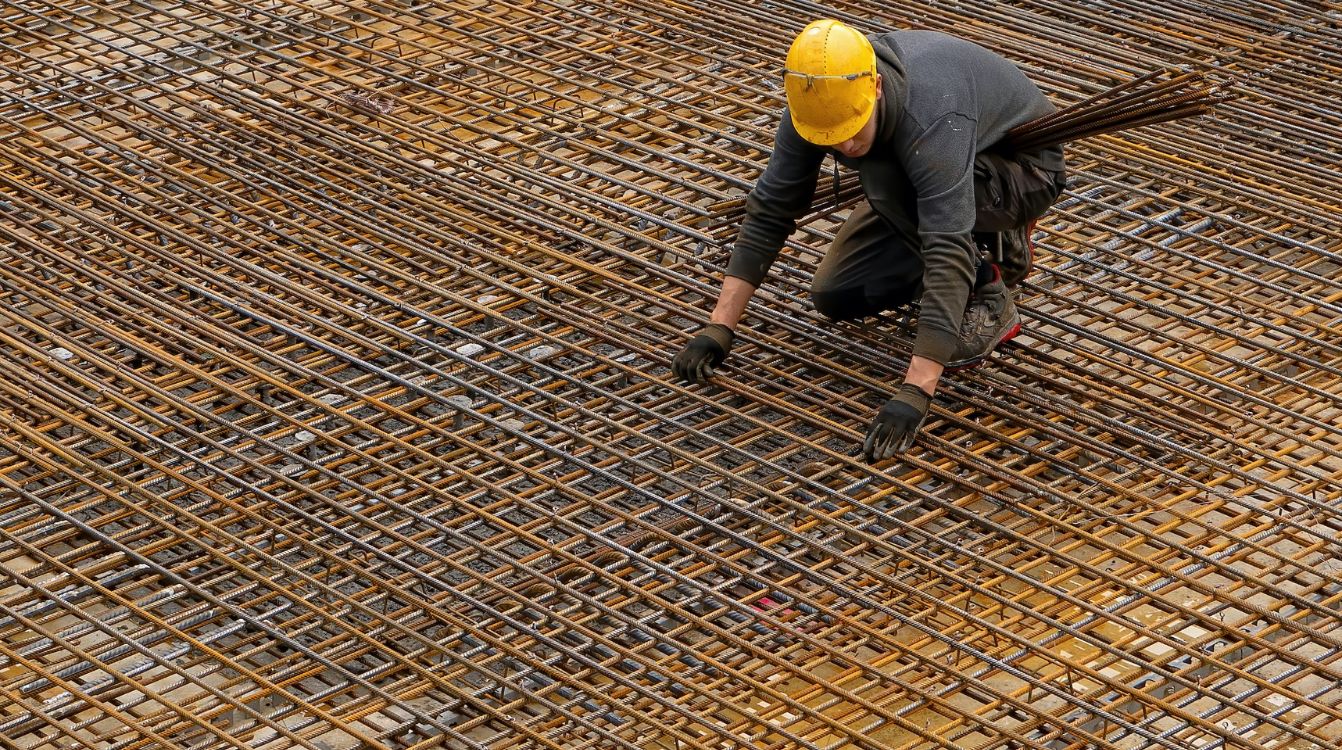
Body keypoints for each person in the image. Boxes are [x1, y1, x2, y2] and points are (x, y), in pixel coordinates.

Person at [671, 19, 1067, 462]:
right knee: (837, 295)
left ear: (876, 87)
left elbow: (945, 246)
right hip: (923, 174)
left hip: (1020, 171)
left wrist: (916, 391)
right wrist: (718, 327)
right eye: (831, 139)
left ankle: (989, 283)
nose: (843, 145)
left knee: (883, 173)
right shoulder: (815, 101)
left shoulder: (932, 115)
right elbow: (771, 207)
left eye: (851, 129)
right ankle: (981, 242)